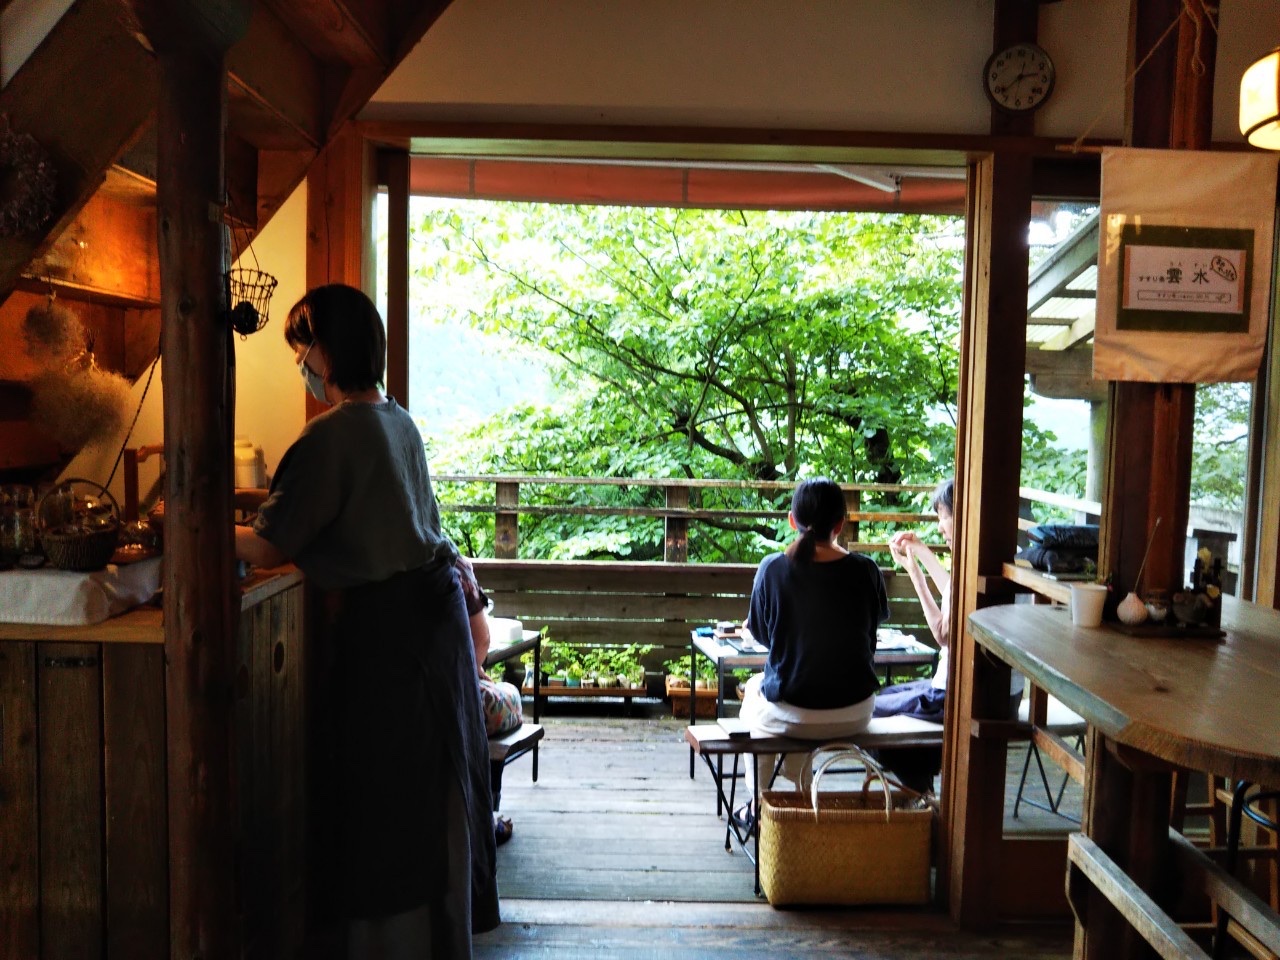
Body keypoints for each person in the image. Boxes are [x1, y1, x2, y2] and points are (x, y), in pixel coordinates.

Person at [234, 283, 499, 959]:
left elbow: (269, 545)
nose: (301, 364)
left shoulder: (332, 436)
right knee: (430, 796)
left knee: (385, 803)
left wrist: (182, 523)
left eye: (302, 349)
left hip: (389, 639)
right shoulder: (396, 419)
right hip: (434, 625)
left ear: (326, 351)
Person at [738, 477, 888, 815]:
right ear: (840, 524)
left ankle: (759, 803)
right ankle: (796, 785)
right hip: (856, 712)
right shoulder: (866, 570)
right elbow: (869, 633)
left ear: (792, 521)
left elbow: (762, 636)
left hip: (795, 714)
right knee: (772, 695)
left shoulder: (773, 568)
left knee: (754, 696)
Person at [875, 478, 1023, 792]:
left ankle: (922, 791)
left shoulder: (973, 562)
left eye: (943, 515)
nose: (940, 526)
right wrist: (921, 551)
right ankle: (925, 782)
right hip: (1006, 697)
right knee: (888, 696)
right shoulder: (1011, 555)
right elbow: (953, 594)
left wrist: (914, 572)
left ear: (964, 514)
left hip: (959, 697)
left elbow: (944, 634)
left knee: (872, 712)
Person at [455, 555, 523, 846]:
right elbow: (479, 641)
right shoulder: (452, 564)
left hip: (387, 692)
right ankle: (487, 814)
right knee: (503, 699)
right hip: (452, 697)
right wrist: (477, 669)